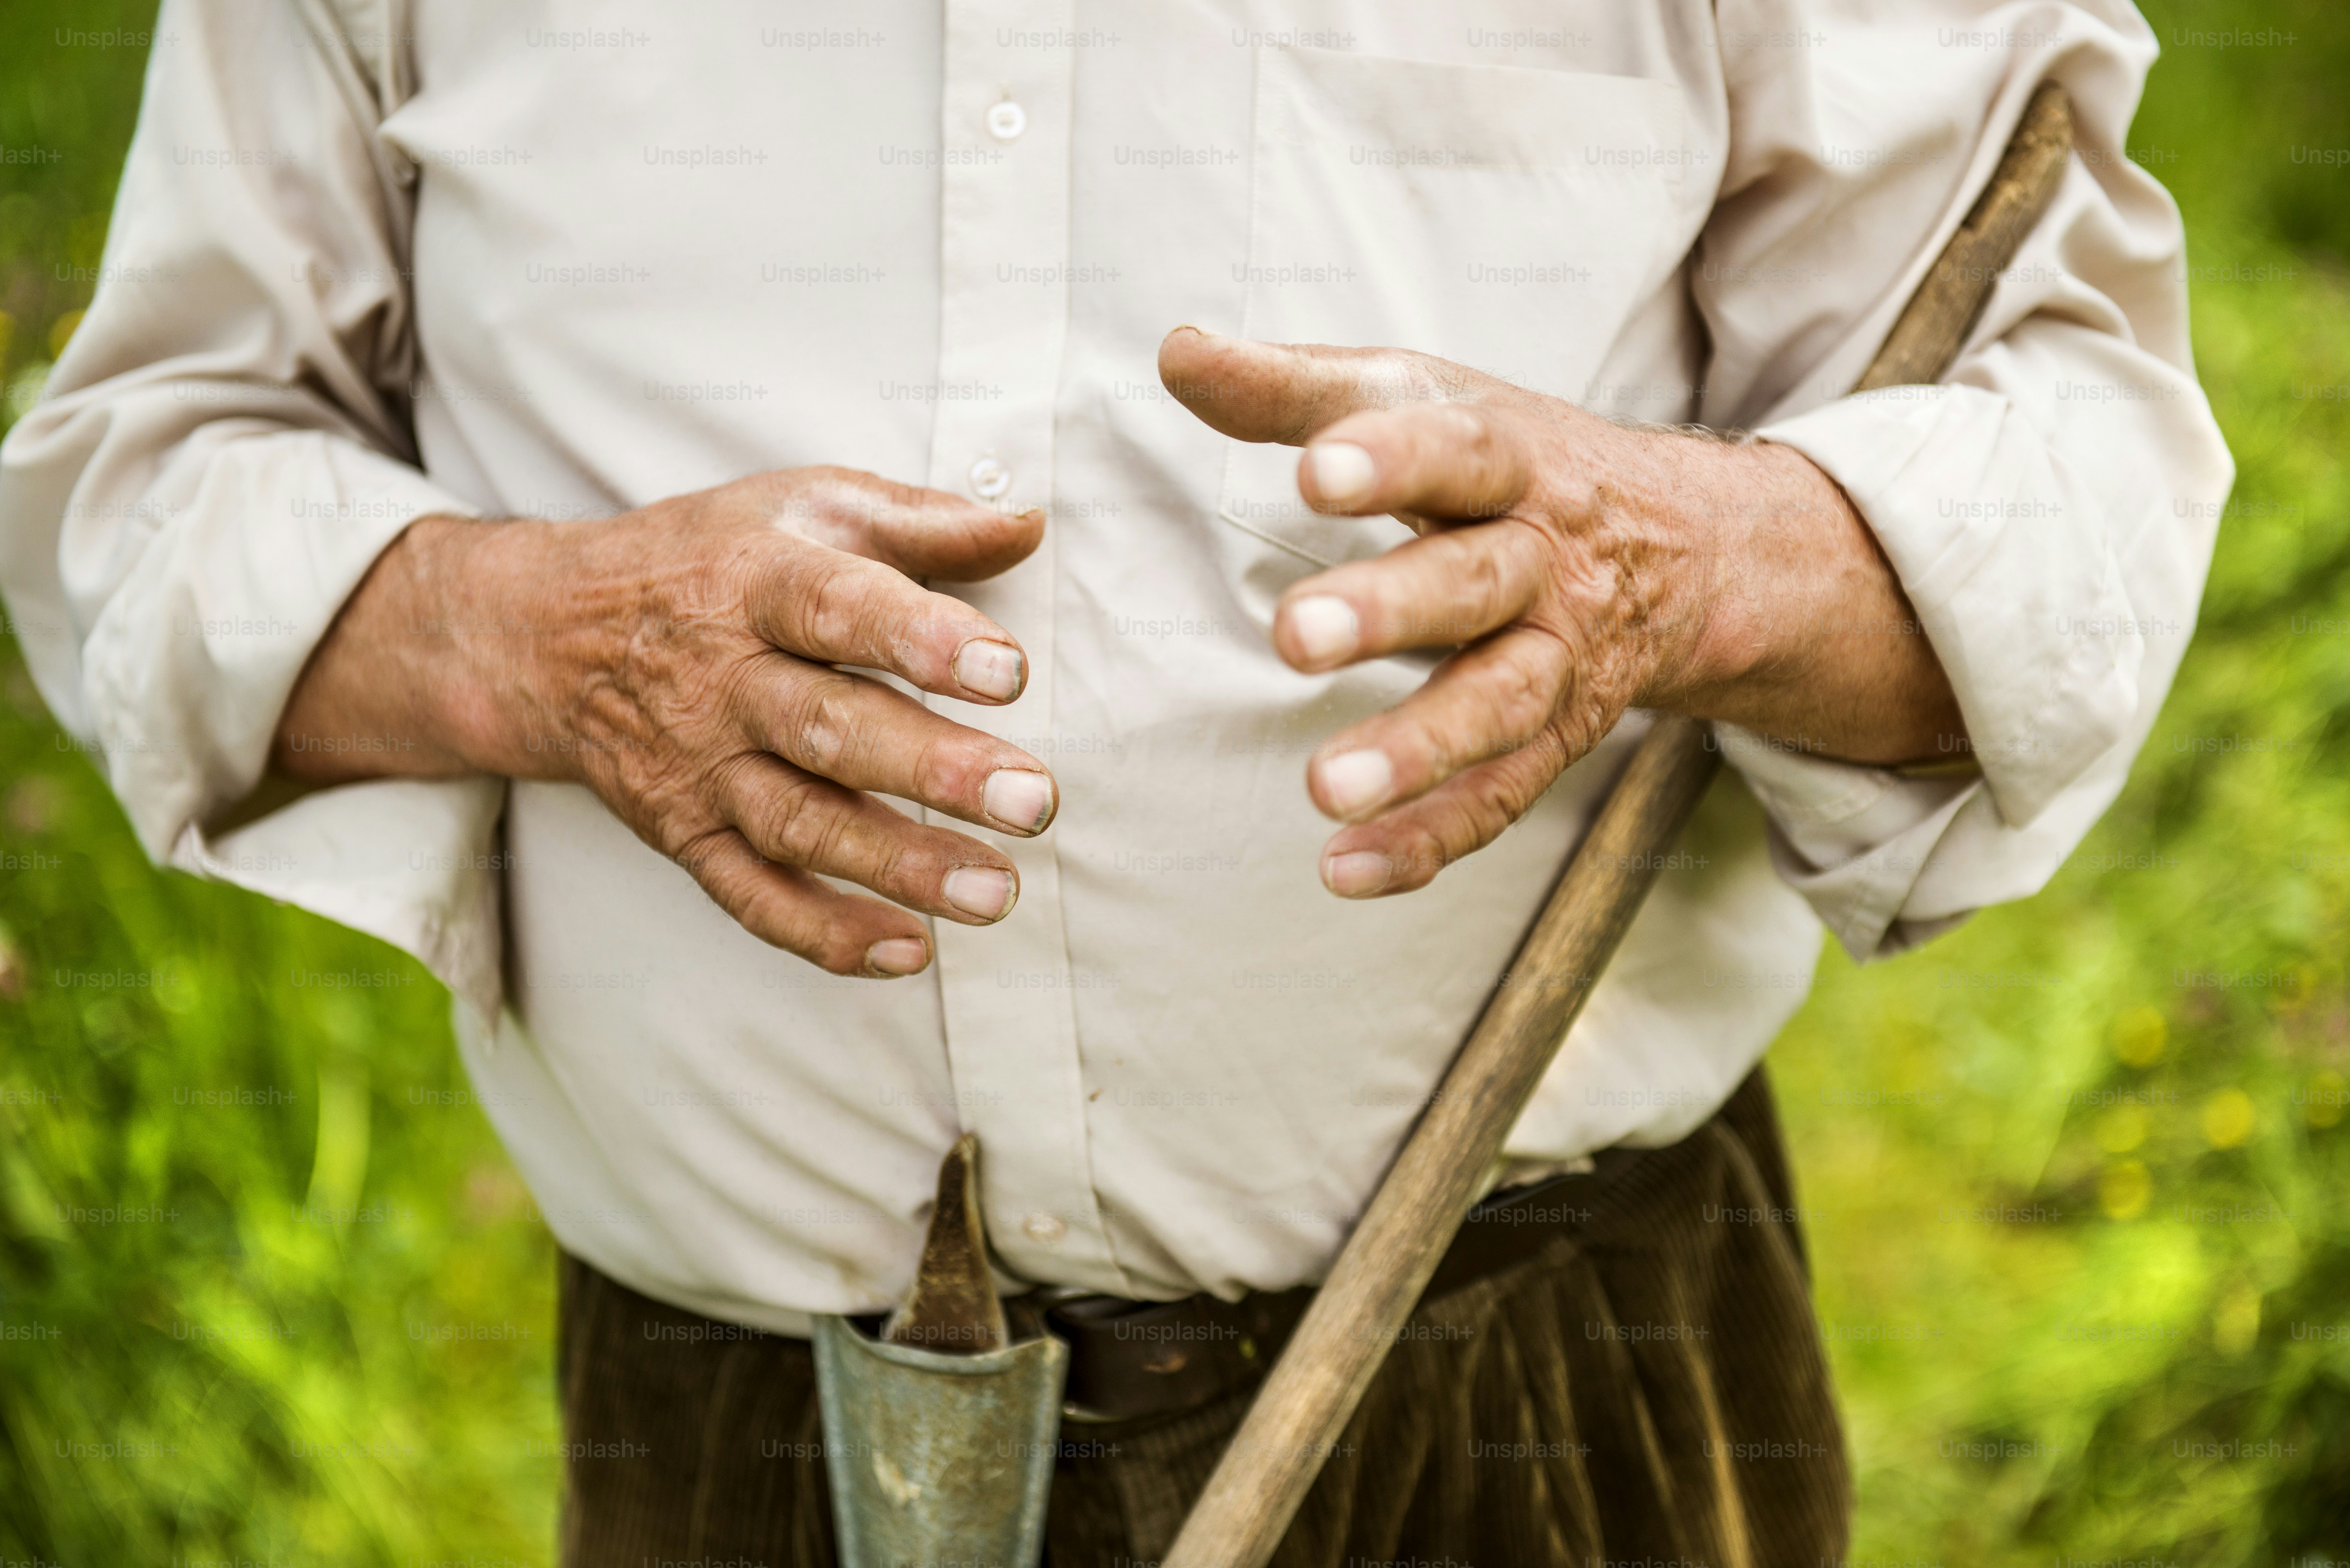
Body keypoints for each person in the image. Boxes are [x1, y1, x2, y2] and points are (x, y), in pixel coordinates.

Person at [0, 2, 2229, 1563]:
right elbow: (144, 482)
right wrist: (530, 636)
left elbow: (2087, 471)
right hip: (731, 1448)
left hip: (1536, 1406)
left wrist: (1704, 563)